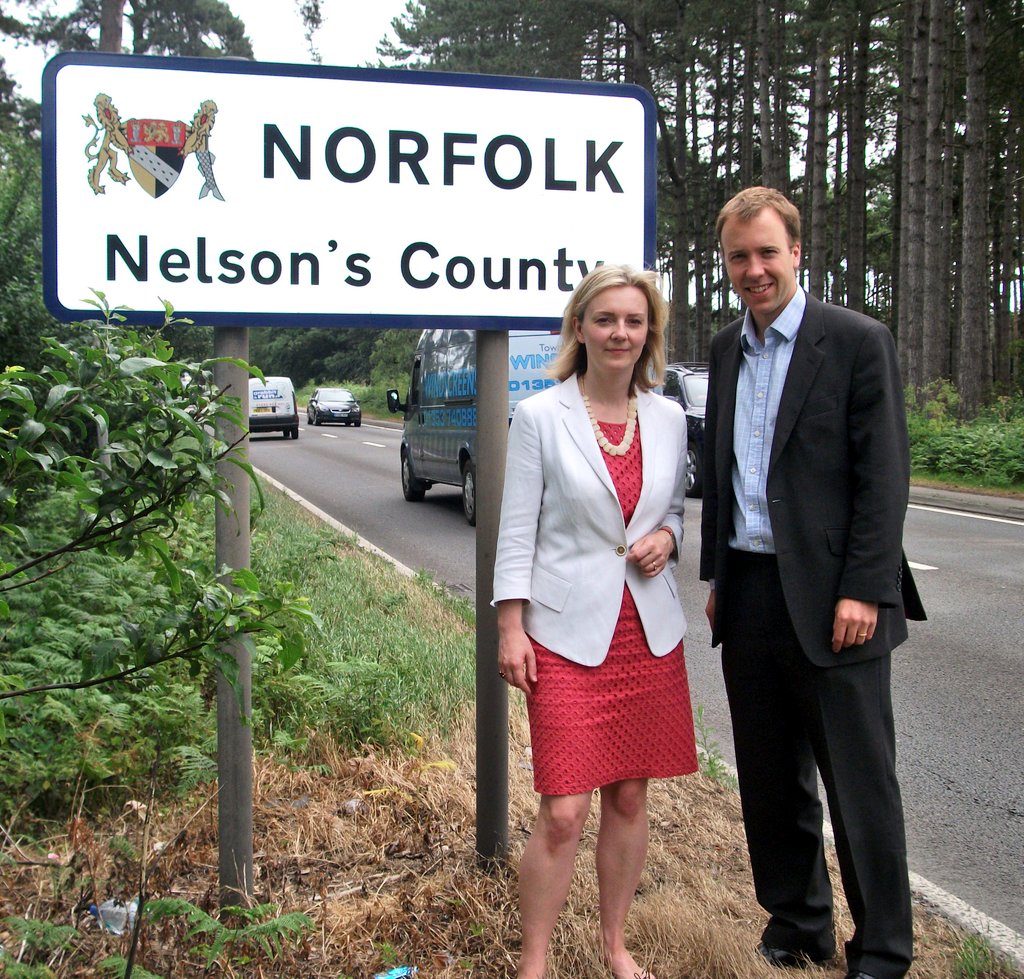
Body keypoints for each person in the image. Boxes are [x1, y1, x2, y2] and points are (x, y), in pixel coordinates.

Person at [700, 186, 927, 979]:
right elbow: (724, 475)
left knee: (859, 785)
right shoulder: (728, 348)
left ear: (797, 251)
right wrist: (722, 573)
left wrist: (865, 587)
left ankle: (884, 948)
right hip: (752, 589)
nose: (754, 269)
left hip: (840, 600)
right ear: (725, 263)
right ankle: (798, 922)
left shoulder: (857, 342)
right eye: (739, 256)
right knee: (768, 775)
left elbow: (883, 478)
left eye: (767, 252)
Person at [493, 264, 698, 979]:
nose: (620, 333)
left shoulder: (669, 416)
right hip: (566, 634)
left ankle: (615, 945)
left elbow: (670, 510)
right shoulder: (541, 415)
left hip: (646, 632)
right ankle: (536, 962)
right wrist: (510, 626)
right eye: (605, 319)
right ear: (579, 327)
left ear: (651, 334)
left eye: (634, 321)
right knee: (562, 811)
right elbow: (517, 529)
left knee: (632, 793)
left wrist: (668, 537)